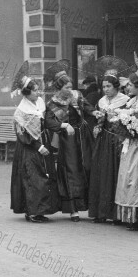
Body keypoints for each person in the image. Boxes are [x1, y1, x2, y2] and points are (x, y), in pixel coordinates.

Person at [10, 61, 60, 223]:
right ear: (26, 93)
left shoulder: (40, 103)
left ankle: (40, 210)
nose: (39, 92)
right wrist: (39, 147)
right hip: (29, 148)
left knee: (44, 176)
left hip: (43, 143)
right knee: (32, 178)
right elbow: (23, 135)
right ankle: (32, 212)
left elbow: (47, 120)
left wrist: (62, 125)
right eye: (35, 90)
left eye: (38, 89)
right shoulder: (21, 112)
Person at [44, 61, 93, 222]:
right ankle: (73, 210)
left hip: (83, 137)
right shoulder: (53, 103)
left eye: (71, 86)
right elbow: (49, 122)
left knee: (86, 168)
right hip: (68, 141)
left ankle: (88, 205)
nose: (70, 90)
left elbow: (87, 107)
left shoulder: (76, 96)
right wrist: (63, 124)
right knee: (71, 171)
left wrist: (96, 112)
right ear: (59, 88)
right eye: (66, 87)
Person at [88, 56, 130, 224]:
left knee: (115, 174)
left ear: (116, 87)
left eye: (108, 86)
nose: (105, 89)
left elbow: (127, 121)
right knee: (101, 173)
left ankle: (116, 213)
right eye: (103, 86)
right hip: (103, 140)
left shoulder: (125, 101)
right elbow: (99, 120)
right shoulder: (101, 101)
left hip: (117, 141)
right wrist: (98, 123)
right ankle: (100, 212)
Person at [115, 53, 138, 230]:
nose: (127, 87)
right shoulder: (132, 100)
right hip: (131, 144)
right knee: (128, 176)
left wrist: (136, 126)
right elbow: (124, 117)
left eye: (130, 84)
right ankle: (131, 216)